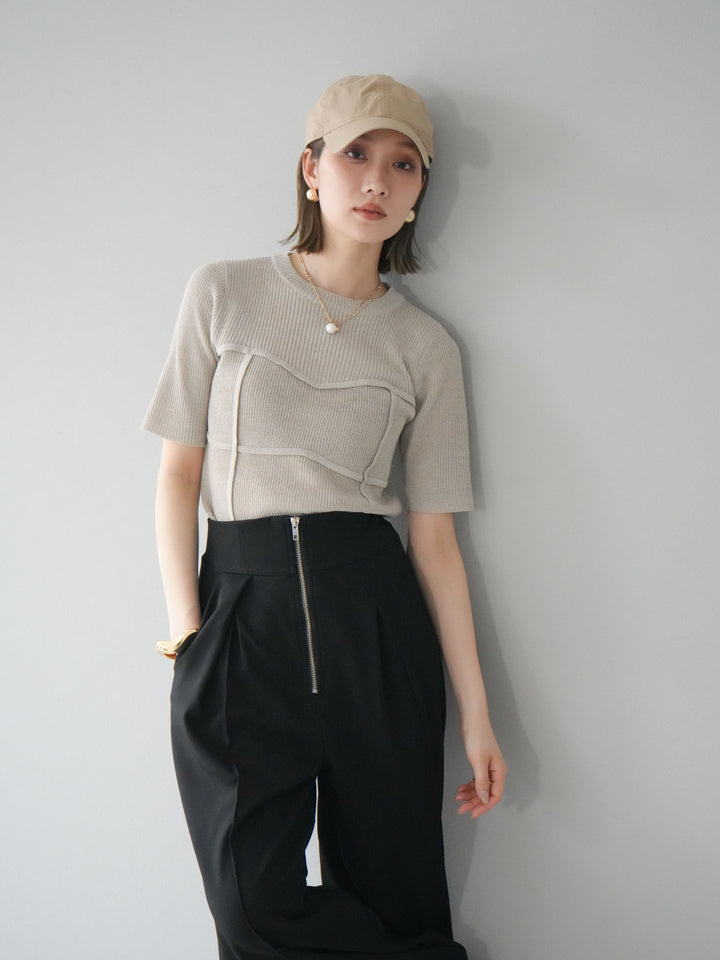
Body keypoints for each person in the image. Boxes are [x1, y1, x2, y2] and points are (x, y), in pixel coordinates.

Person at [143, 74, 507, 960]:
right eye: (355, 154)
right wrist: (189, 628)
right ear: (311, 169)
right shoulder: (223, 292)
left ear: (420, 191)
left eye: (404, 165)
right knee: (249, 910)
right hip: (241, 619)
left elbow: (435, 544)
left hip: (374, 627)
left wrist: (477, 713)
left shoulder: (425, 346)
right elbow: (177, 475)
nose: (377, 180)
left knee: (400, 896)